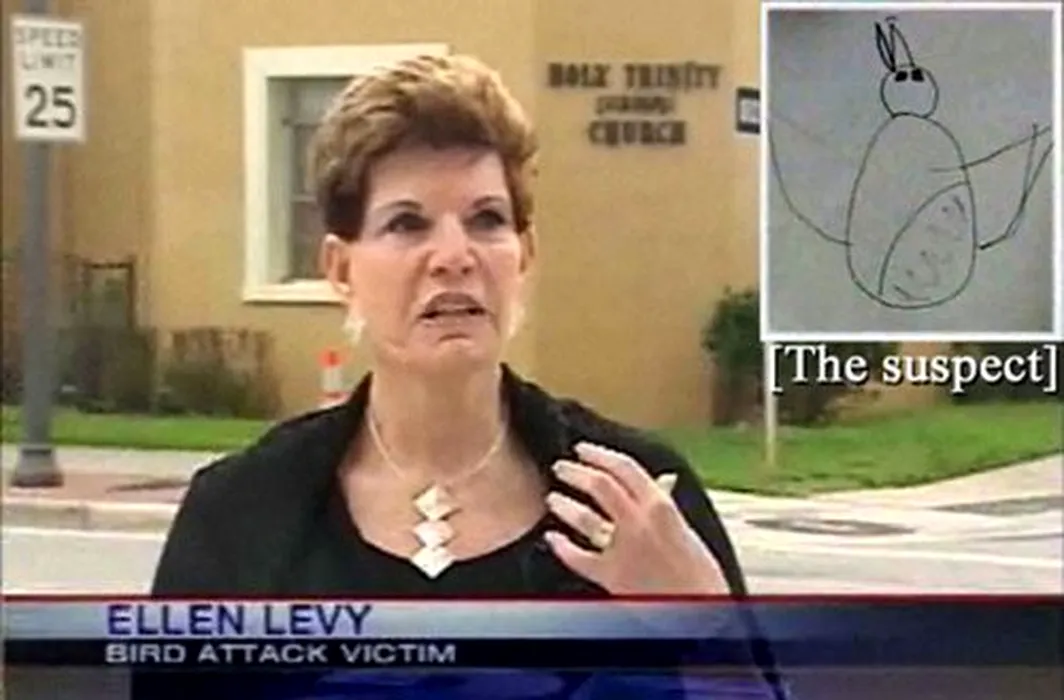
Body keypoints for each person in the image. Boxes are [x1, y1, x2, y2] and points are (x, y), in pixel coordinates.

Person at [145, 53, 786, 699]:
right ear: (340, 269)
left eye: (487, 220)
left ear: (524, 254)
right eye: (407, 223)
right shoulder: (241, 516)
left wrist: (708, 626)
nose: (455, 256)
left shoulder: (634, 501)